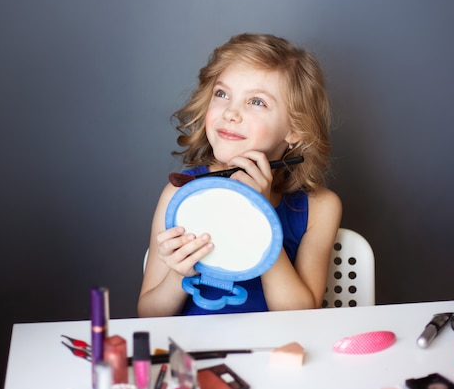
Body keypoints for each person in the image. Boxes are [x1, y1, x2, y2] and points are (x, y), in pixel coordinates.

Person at [138, 33, 342, 317]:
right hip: (195, 352)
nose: (231, 112)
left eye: (256, 102)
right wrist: (177, 274)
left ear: (295, 130)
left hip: (275, 352)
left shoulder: (320, 206)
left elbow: (300, 316)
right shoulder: (179, 194)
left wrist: (260, 217)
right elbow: (149, 314)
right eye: (222, 94)